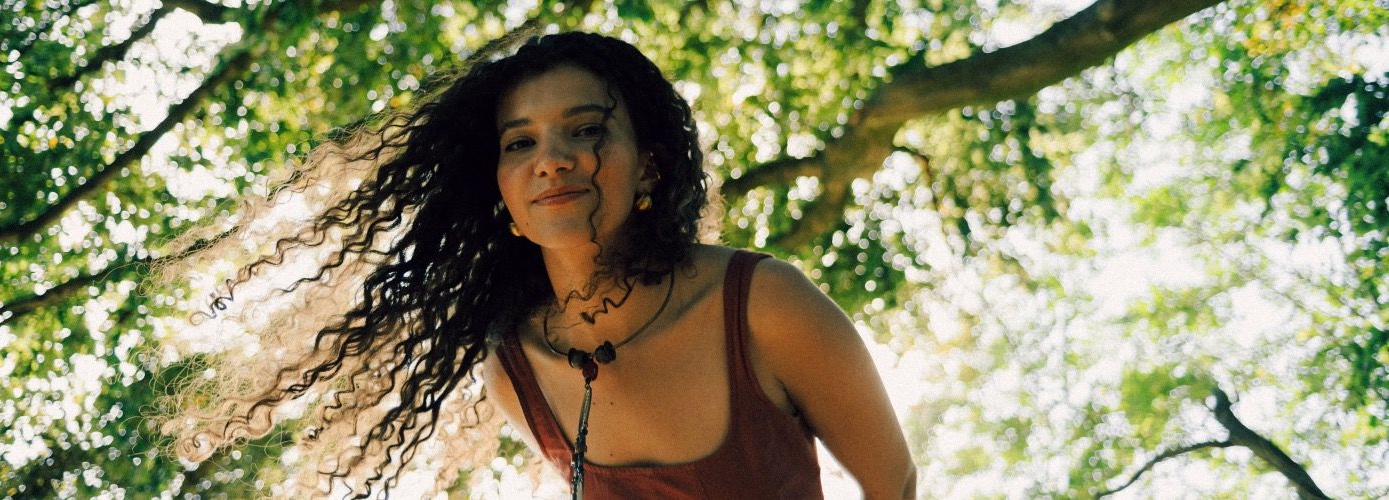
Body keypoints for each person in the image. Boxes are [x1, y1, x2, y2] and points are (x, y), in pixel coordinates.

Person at [154, 31, 914, 499]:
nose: (551, 160)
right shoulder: (515, 369)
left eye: (584, 130)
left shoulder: (762, 304)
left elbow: (894, 485)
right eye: (520, 143)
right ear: (502, 190)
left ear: (649, 167)